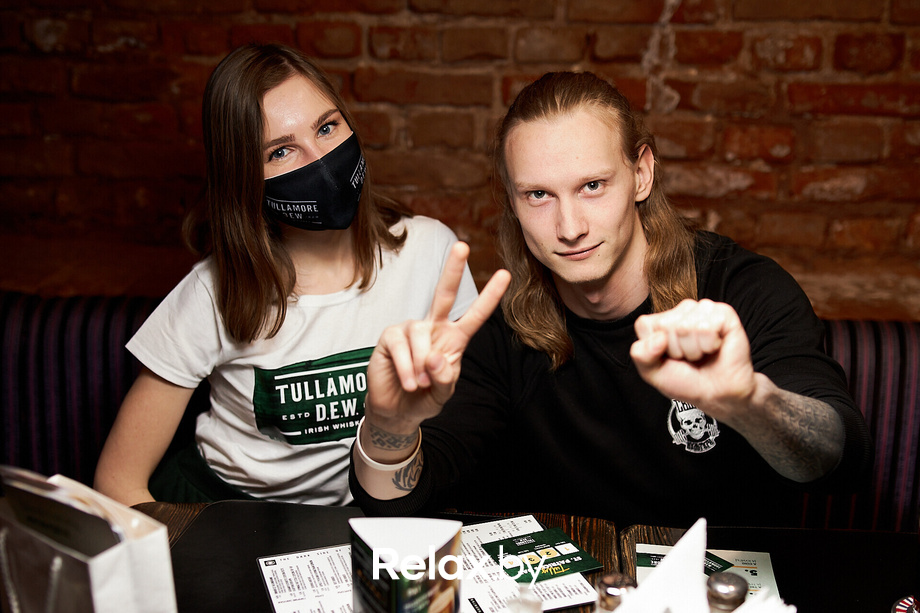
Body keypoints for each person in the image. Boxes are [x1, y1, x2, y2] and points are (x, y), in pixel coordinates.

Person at [348, 71, 873, 528]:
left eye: (593, 186)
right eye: (538, 195)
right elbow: (398, 506)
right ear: (512, 201)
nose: (570, 227)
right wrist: (389, 429)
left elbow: (840, 462)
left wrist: (748, 402)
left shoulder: (743, 290)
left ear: (641, 173)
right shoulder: (502, 329)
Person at [93, 43, 479, 507]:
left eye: (327, 127)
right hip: (229, 509)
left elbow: (466, 426)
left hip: (372, 507)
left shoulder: (431, 250)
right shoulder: (213, 292)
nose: (319, 160)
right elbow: (116, 483)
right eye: (280, 152)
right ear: (244, 178)